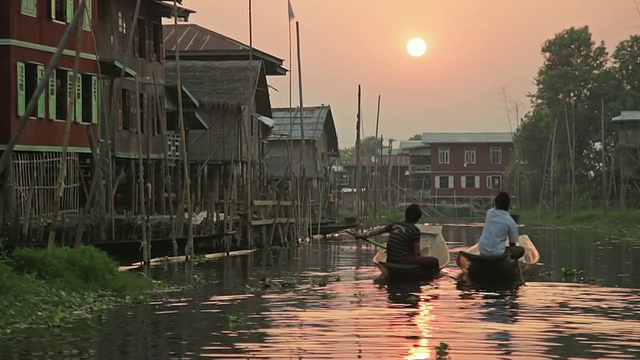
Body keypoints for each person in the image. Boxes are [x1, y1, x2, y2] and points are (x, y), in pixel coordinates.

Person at [356, 203, 439, 270]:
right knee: (434, 261)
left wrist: (365, 235)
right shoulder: (415, 230)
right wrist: (421, 262)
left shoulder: (396, 224)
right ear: (418, 219)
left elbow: (380, 230)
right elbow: (417, 253)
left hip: (390, 259)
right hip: (402, 261)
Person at [478, 191, 524, 260]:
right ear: (508, 205)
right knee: (520, 250)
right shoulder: (510, 221)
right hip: (497, 254)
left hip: (483, 250)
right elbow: (513, 242)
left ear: (496, 203)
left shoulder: (489, 213)